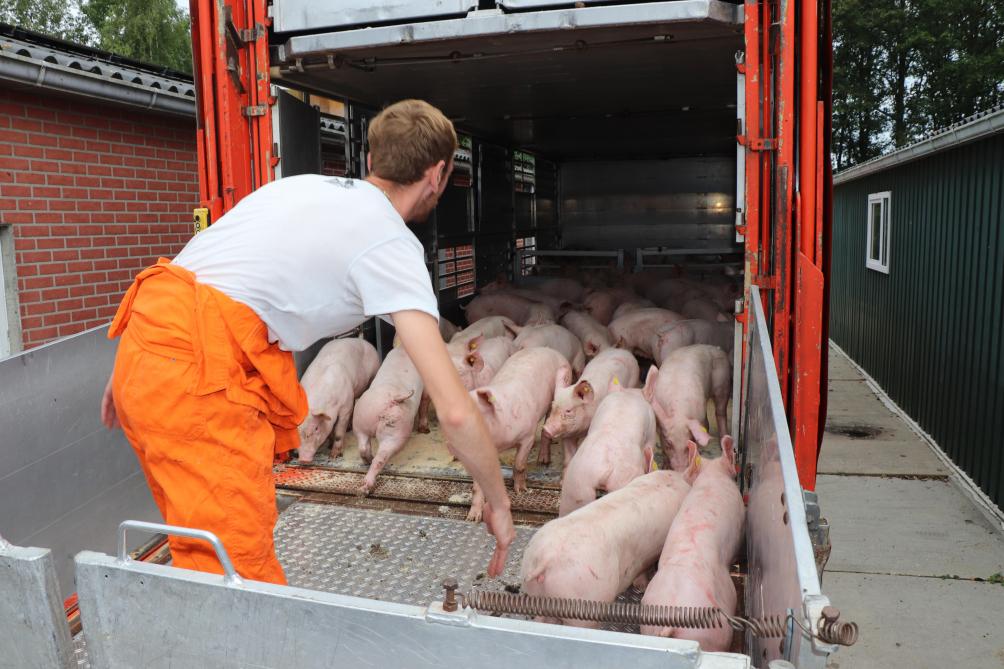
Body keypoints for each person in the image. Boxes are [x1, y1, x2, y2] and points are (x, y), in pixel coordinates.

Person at [100, 99, 515, 585]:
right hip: (196, 378)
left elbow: (201, 267)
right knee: (236, 578)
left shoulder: (300, 188)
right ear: (439, 173)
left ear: (370, 162)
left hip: (147, 350)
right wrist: (501, 504)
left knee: (199, 548)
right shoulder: (390, 243)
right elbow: (457, 410)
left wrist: (138, 366)